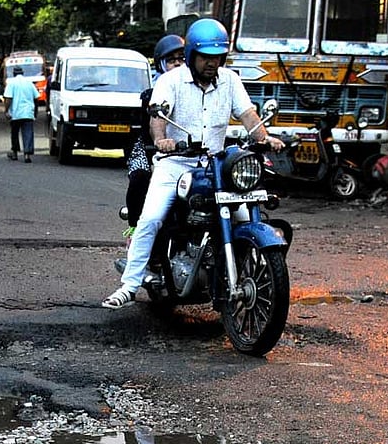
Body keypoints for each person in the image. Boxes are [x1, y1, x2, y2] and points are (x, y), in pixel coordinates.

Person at [102, 18, 284, 309]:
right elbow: (157, 117)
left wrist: (264, 136)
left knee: (246, 216)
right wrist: (162, 140)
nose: (212, 64)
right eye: (205, 58)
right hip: (174, 163)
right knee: (151, 218)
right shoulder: (170, 81)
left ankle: (240, 275)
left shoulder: (230, 80)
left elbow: (248, 114)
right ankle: (129, 285)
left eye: (217, 57)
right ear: (192, 56)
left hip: (215, 164)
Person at [123, 34, 186, 246]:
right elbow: (152, 127)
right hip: (148, 147)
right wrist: (159, 144)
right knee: (141, 177)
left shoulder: (195, 89)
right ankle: (135, 228)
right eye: (171, 59)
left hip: (186, 150)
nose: (177, 63)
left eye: (181, 58)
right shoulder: (152, 93)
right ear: (160, 63)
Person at [3, 66, 41, 163]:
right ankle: (27, 155)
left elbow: (8, 99)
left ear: (14, 73)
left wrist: (6, 111)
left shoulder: (11, 83)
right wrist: (35, 112)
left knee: (14, 133)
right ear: (23, 73)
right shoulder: (29, 83)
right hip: (28, 112)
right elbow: (36, 98)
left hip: (15, 113)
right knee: (28, 133)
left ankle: (15, 153)